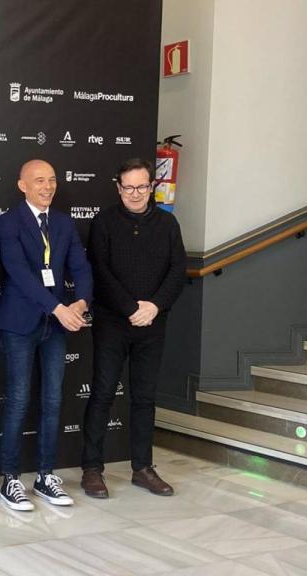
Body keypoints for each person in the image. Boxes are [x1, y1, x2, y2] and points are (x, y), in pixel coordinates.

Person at [80, 157, 186, 498]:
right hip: (113, 323)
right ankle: (92, 469)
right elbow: (100, 269)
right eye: (129, 187)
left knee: (144, 398)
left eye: (142, 186)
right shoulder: (104, 222)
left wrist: (153, 307)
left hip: (153, 324)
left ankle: (142, 467)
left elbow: (177, 270)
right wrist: (130, 308)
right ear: (119, 188)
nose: (136, 193)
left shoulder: (169, 225)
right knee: (102, 394)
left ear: (152, 187)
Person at [0, 159, 93, 512]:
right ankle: (10, 479)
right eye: (39, 181)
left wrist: (80, 301)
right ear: (22, 185)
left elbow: (81, 266)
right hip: (21, 322)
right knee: (19, 400)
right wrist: (58, 308)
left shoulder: (65, 223)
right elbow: (18, 272)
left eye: (52, 180)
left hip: (57, 325)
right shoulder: (8, 222)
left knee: (53, 400)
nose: (48, 186)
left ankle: (45, 475)